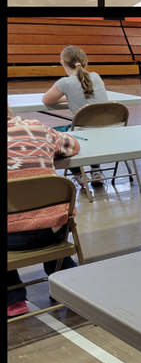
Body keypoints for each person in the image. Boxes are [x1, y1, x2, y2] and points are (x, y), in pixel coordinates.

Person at [7, 103, 80, 317]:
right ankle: (70, 285)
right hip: (53, 231)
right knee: (46, 211)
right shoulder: (39, 128)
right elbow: (74, 146)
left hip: (10, 239)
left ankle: (13, 299)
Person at [42, 45, 108, 185]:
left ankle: (78, 174)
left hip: (81, 133)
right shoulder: (96, 77)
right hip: (106, 130)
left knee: (52, 135)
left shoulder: (65, 82)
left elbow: (47, 100)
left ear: (63, 63)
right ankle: (96, 171)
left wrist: (67, 95)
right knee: (92, 128)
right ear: (86, 62)